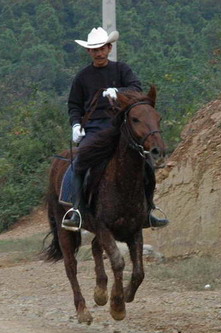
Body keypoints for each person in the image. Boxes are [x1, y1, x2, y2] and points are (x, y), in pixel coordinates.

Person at [62, 27, 168, 231]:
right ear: (89, 52)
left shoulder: (122, 70)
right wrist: (75, 124)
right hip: (92, 128)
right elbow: (74, 105)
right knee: (80, 163)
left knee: (146, 163)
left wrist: (118, 91)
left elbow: (136, 89)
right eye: (94, 50)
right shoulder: (82, 77)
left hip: (119, 128)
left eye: (102, 48)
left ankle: (148, 210)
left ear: (109, 48)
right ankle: (77, 211)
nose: (99, 52)